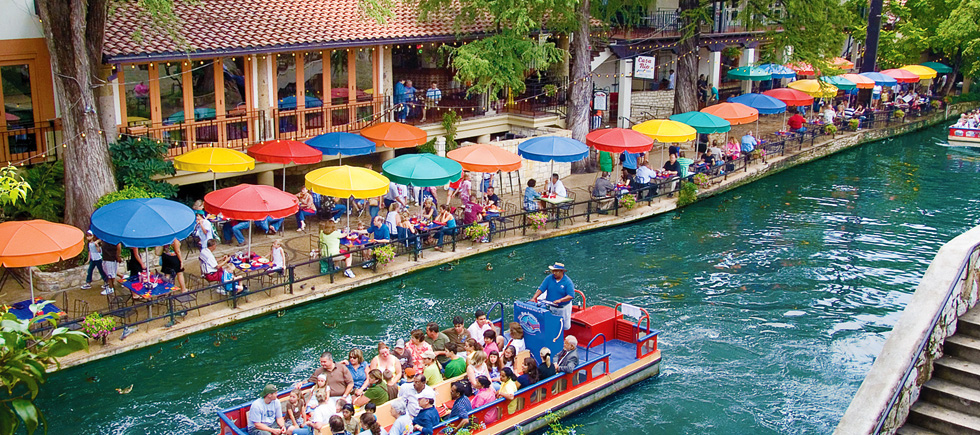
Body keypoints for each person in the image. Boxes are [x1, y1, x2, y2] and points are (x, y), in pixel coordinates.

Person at [532, 262, 575, 330]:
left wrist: (560, 300)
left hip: (563, 308)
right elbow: (541, 289)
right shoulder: (549, 278)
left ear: (561, 271)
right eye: (553, 271)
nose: (553, 273)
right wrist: (534, 297)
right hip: (551, 306)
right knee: (551, 323)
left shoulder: (568, 282)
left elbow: (571, 295)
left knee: (564, 326)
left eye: (555, 271)